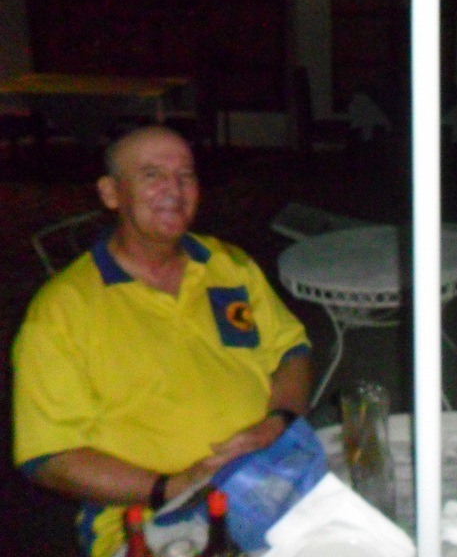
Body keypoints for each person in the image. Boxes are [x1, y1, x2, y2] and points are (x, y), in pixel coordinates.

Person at [12, 125, 314, 557]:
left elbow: (291, 352)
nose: (174, 189)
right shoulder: (61, 311)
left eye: (186, 175)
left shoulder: (228, 265)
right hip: (152, 518)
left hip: (266, 478)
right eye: (152, 174)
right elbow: (50, 458)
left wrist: (277, 422)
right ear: (111, 193)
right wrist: (173, 486)